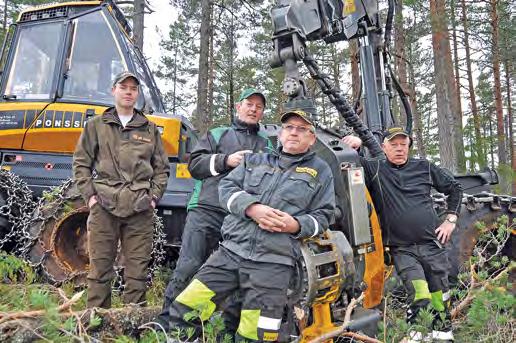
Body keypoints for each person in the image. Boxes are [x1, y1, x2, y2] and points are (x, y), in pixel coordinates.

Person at [165, 109, 335, 342]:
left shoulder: (321, 171)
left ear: (312, 138)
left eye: (301, 129)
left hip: (273, 265)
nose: (294, 133)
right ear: (281, 134)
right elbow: (226, 189)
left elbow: (325, 215)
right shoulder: (256, 160)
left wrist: (295, 224)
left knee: (254, 334)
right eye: (289, 127)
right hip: (231, 254)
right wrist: (251, 208)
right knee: (186, 309)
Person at [158, 88, 272, 327]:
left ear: (262, 113)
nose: (253, 109)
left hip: (241, 217)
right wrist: (226, 160)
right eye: (249, 104)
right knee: (189, 266)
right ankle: (166, 323)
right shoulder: (218, 134)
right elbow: (195, 165)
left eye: (258, 107)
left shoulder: (267, 144)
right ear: (238, 107)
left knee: (229, 275)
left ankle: (208, 325)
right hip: (206, 210)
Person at [342, 127, 463, 342]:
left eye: (403, 144)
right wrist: (357, 143)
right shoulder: (376, 168)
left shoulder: (424, 167)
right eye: (394, 144)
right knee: (419, 293)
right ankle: (416, 337)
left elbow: (455, 188)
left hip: (431, 244)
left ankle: (443, 337)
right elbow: (352, 165)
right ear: (384, 147)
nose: (399, 149)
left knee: (440, 296)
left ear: (408, 146)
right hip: (401, 248)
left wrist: (450, 220)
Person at [73, 71, 170, 308]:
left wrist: (153, 198)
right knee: (100, 269)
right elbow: (81, 163)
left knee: (137, 272)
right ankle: (96, 323)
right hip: (104, 205)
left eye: (133, 88)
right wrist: (91, 197)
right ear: (113, 90)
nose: (128, 92)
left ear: (137, 94)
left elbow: (161, 169)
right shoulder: (97, 125)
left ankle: (132, 324)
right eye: (123, 87)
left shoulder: (149, 128)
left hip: (139, 208)